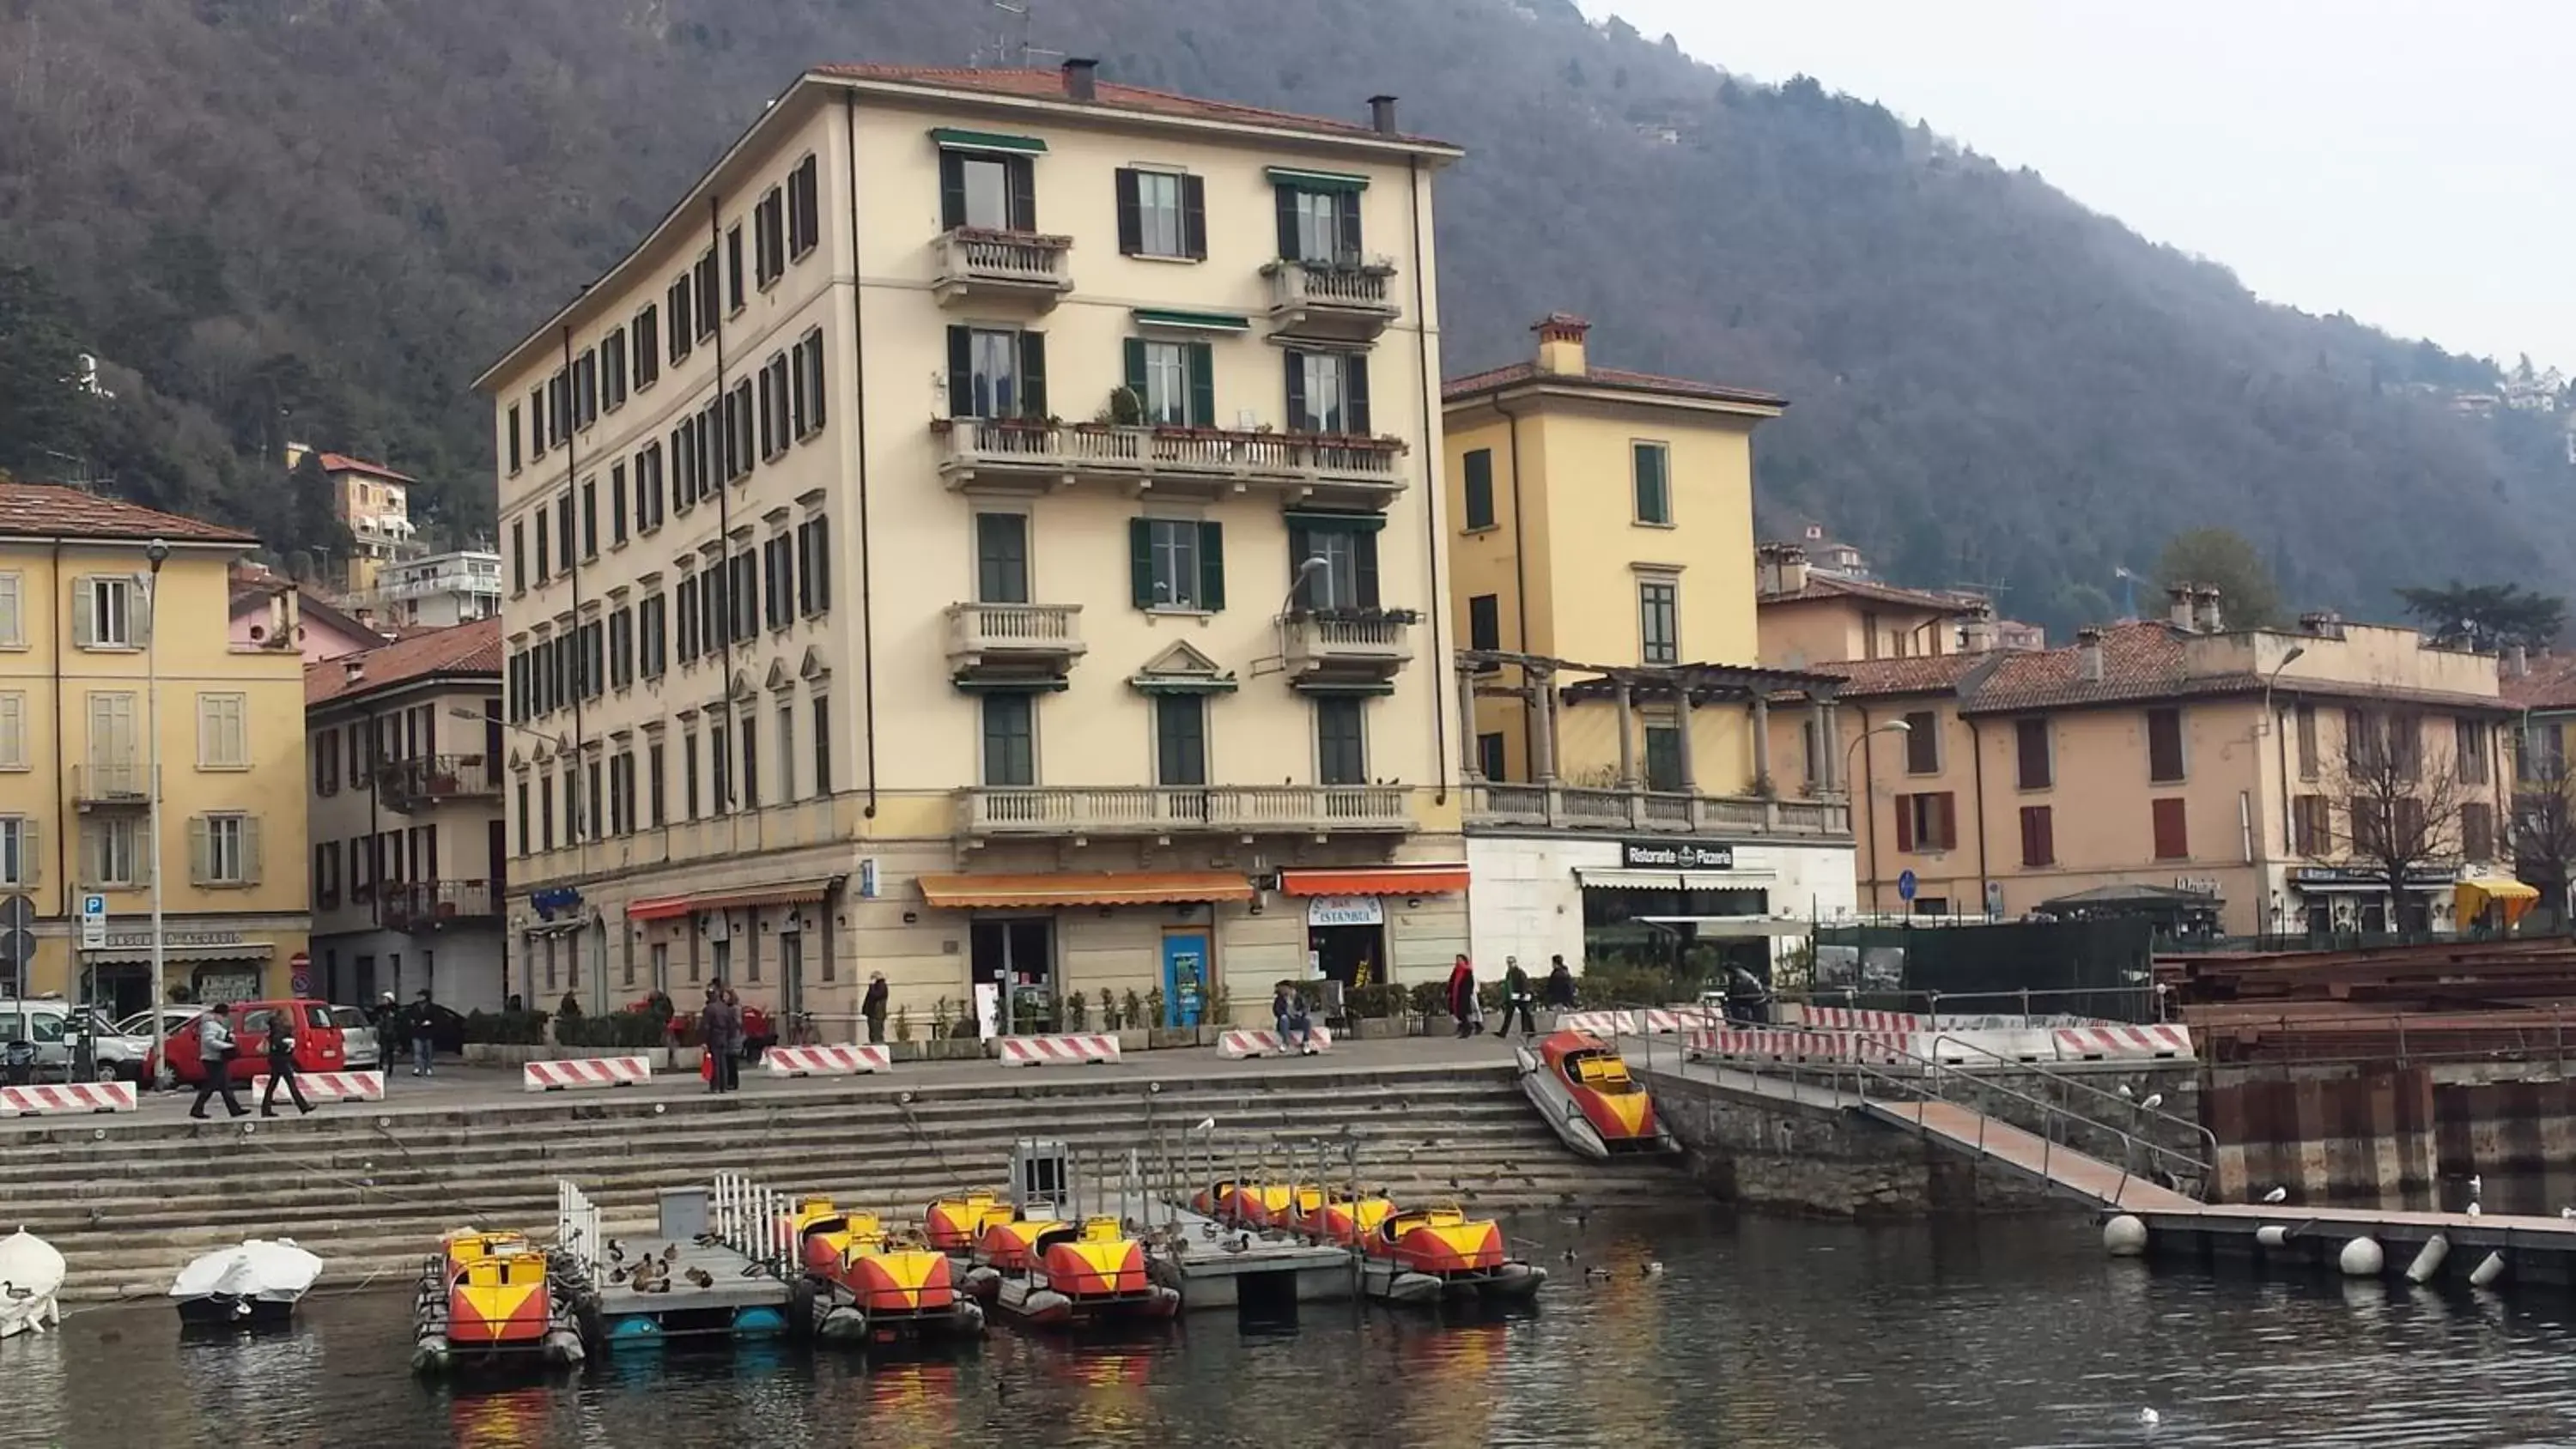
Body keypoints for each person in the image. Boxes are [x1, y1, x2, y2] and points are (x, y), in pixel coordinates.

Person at [189, 1003, 249, 1120]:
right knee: (212, 1085)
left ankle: (235, 1109)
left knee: (225, 1085)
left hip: (217, 1058)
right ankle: (197, 1109)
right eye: (224, 1015)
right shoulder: (210, 1025)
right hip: (212, 1059)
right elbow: (209, 1041)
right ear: (217, 1014)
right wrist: (227, 1046)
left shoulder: (215, 1024)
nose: (224, 1018)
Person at [259, 1008, 314, 1118]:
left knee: (272, 1085)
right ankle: (303, 1106)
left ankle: (265, 1109)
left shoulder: (275, 1026)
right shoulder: (279, 1027)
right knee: (290, 1083)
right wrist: (288, 1045)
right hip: (281, 1060)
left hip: (277, 1059)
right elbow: (279, 1042)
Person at [1497, 956, 1537, 1040]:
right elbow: (1508, 985)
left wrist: (1523, 993)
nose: (1510, 964)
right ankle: (1503, 1033)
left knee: (1525, 1013)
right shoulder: (1509, 973)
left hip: (1519, 996)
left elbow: (1524, 983)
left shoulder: (1519, 972)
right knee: (1510, 1014)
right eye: (1508, 962)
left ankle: (1530, 1031)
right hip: (1512, 997)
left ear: (1515, 962)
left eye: (1511, 962)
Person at [368, 991, 402, 1078]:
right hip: (382, 1032)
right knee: (382, 1052)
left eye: (385, 999)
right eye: (383, 999)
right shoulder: (379, 1009)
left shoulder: (395, 1009)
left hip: (391, 1033)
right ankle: (380, 1067)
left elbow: (399, 1021)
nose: (384, 1000)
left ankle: (390, 1070)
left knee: (390, 1052)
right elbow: (374, 1018)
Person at [1445, 955, 1478, 1040]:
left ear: (1464, 961)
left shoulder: (1467, 971)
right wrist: (1449, 991)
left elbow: (1470, 983)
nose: (1458, 961)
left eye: (1460, 960)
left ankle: (1467, 1029)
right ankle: (1466, 1027)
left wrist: (1468, 993)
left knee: (1463, 1013)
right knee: (1458, 1013)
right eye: (1457, 960)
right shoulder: (1456, 970)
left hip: (1464, 995)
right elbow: (1452, 982)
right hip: (1456, 995)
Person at [408, 988, 438, 1077]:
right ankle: (417, 1068)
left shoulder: (432, 1007)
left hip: (428, 1032)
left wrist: (430, 1022)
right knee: (418, 1051)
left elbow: (436, 1019)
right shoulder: (414, 1006)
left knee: (428, 1052)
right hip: (416, 1032)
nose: (419, 997)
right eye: (419, 996)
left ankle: (428, 1068)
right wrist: (411, 1021)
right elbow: (409, 1016)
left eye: (421, 996)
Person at [1545, 955, 1577, 1026]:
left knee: (1559, 1017)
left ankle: (1558, 1031)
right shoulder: (1565, 973)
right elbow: (1570, 988)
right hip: (1563, 1000)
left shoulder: (1557, 974)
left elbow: (1552, 987)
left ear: (1555, 963)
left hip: (1559, 999)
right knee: (1562, 1016)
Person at [1284, 991, 1316, 1055]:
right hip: (1286, 1021)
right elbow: (1278, 1011)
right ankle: (1285, 1041)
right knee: (1284, 1019)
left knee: (1307, 1020)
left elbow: (1305, 1009)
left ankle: (1305, 1042)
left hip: (1297, 1020)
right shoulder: (1281, 999)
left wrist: (1300, 1014)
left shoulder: (1299, 999)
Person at [862, 973, 890, 1046]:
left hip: (877, 1014)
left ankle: (879, 1047)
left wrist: (871, 985)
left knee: (877, 1033)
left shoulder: (881, 986)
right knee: (873, 1033)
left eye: (872, 978)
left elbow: (875, 995)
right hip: (873, 1014)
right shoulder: (875, 986)